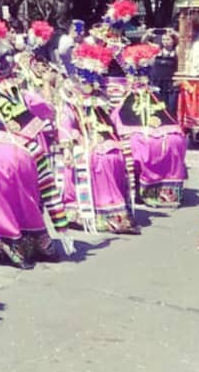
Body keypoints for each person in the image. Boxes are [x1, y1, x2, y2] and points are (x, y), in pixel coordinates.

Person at [0, 20, 71, 267]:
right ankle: (37, 241)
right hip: (20, 152)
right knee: (27, 199)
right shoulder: (23, 95)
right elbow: (47, 111)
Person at [57, 42, 138, 233]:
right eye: (86, 79)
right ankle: (79, 210)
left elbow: (112, 120)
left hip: (103, 136)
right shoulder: (70, 98)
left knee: (115, 155)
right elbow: (64, 122)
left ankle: (114, 209)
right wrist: (68, 146)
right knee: (93, 158)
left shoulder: (101, 97)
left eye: (93, 79)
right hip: (81, 139)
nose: (89, 84)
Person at [115, 44, 188, 208]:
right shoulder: (127, 96)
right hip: (136, 121)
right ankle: (141, 189)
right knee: (140, 142)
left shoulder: (154, 94)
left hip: (154, 111)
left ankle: (165, 191)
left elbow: (166, 117)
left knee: (174, 140)